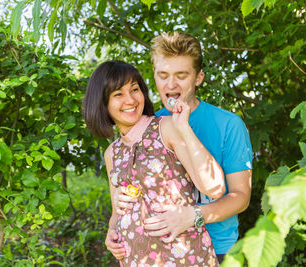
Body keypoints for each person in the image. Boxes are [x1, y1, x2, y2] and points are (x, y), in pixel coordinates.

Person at [106, 32, 253, 264]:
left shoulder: (229, 124)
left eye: (181, 75)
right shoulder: (151, 126)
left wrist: (193, 216)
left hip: (219, 248)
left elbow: (241, 197)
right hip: (166, 253)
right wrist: (115, 223)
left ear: (198, 78)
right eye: (163, 75)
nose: (171, 85)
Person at [83, 60, 225, 266]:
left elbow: (215, 188)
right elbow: (117, 213)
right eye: (118, 94)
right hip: (135, 259)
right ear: (102, 102)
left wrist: (184, 128)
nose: (130, 99)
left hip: (184, 257)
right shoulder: (111, 152)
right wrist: (111, 233)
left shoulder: (165, 127)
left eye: (134, 89)